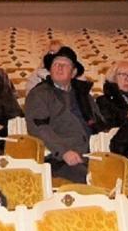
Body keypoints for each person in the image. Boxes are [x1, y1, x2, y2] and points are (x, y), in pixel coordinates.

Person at [23, 45, 103, 182]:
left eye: (65, 65)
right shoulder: (39, 94)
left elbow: (100, 123)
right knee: (93, 180)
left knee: (119, 175)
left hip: (92, 153)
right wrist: (63, 152)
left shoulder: (83, 95)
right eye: (56, 64)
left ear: (73, 72)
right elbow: (39, 128)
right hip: (59, 159)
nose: (59, 67)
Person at [96, 60, 128, 131]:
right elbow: (107, 126)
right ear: (113, 77)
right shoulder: (103, 101)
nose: (127, 79)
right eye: (122, 75)